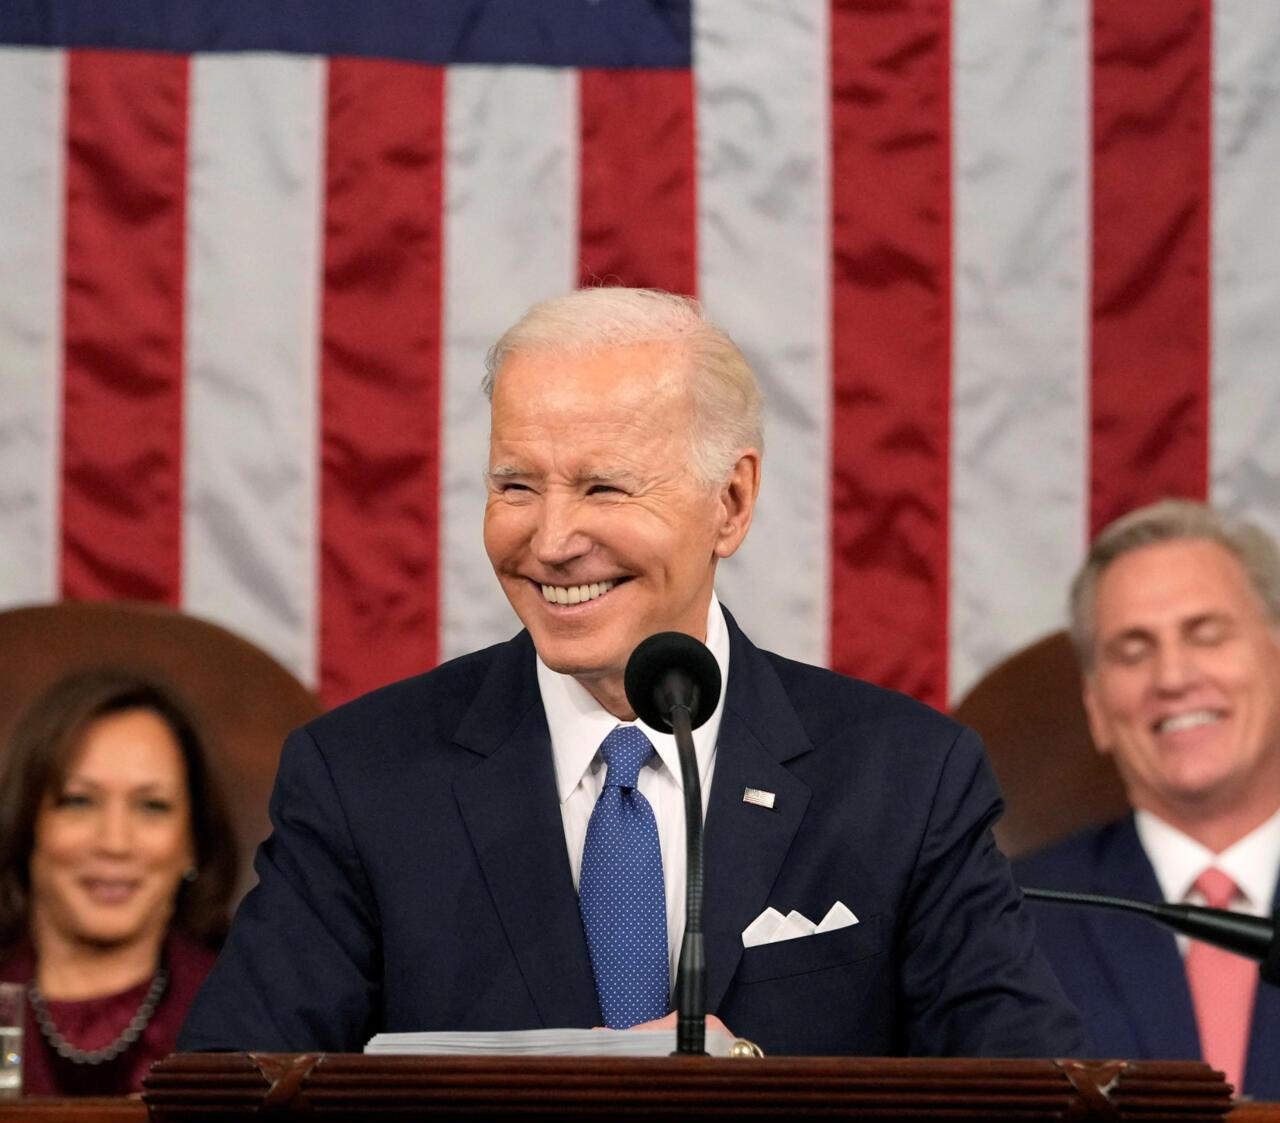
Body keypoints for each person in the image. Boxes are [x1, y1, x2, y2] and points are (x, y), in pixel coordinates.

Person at [180, 287, 1083, 1057]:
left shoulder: (904, 780)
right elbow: (226, 1115)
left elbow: (1033, 1107)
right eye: (516, 486)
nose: (551, 540)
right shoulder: (363, 780)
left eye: (604, 488)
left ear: (730, 504)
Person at [1015, 499, 1280, 1096]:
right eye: (1133, 652)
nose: (1173, 678)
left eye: (1206, 635)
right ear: (1097, 709)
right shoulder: (1013, 923)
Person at [0, 668, 239, 1094]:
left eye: (152, 806)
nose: (115, 843)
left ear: (192, 840)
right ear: (27, 822)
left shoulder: (247, 1014)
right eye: (78, 801)